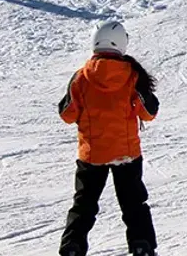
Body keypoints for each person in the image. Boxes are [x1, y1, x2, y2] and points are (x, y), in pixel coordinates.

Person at [58, 21, 160, 256]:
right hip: (126, 154)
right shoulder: (132, 75)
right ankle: (141, 245)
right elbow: (148, 112)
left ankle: (72, 246)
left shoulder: (81, 77)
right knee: (134, 203)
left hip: (92, 154)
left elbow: (67, 114)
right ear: (121, 43)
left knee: (84, 204)